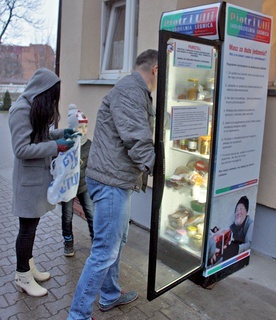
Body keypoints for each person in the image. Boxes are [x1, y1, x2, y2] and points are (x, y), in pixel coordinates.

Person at [67, 49, 158, 320]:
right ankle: (78, 315)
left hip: (115, 178)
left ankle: (109, 295)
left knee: (116, 242)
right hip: (110, 182)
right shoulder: (131, 90)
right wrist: (161, 171)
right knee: (105, 250)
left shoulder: (134, 89)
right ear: (155, 70)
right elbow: (137, 139)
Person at [9, 68, 76, 297]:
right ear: (43, 91)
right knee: (26, 230)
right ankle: (22, 276)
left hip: (36, 180)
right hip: (28, 183)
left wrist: (59, 134)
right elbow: (21, 149)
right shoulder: (20, 110)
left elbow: (40, 136)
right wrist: (56, 147)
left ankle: (29, 267)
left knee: (32, 227)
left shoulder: (33, 108)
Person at [61, 104, 94, 256]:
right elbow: (58, 165)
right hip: (68, 186)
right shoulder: (66, 144)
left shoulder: (89, 145)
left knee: (91, 213)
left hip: (84, 185)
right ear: (73, 128)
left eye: (86, 127)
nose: (84, 130)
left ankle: (96, 241)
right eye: (81, 127)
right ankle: (68, 242)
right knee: (67, 215)